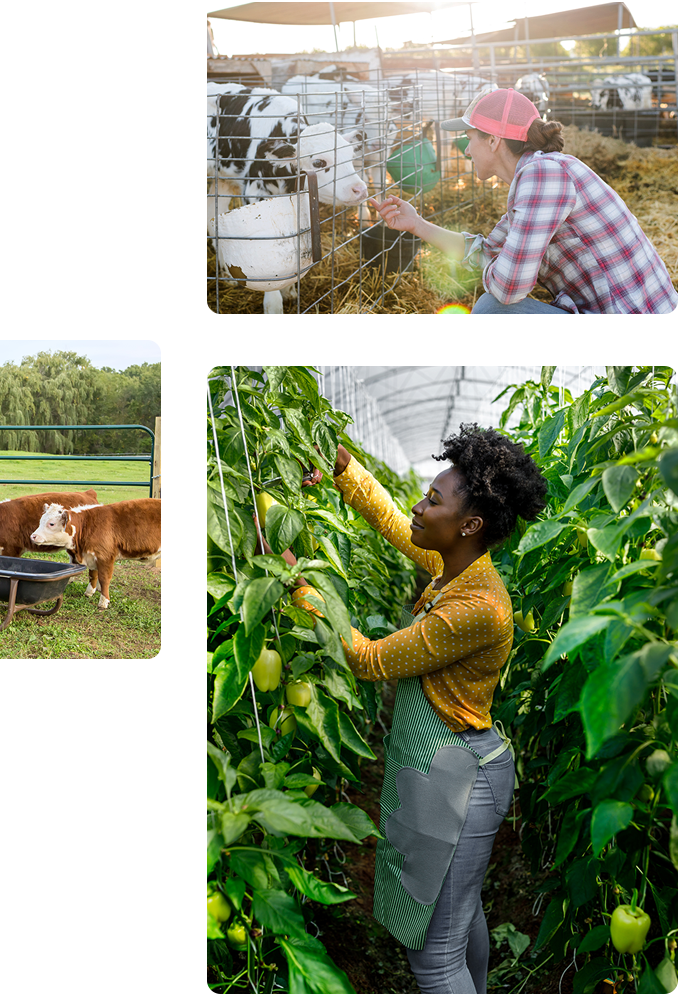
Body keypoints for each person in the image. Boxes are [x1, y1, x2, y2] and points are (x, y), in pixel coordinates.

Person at [266, 425, 547, 996]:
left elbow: (366, 660)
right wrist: (345, 469)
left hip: (460, 779)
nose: (420, 507)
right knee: (460, 915)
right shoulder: (459, 567)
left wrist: (298, 581)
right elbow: (398, 524)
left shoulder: (478, 607)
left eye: (434, 500)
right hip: (456, 765)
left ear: (470, 524)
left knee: (434, 958)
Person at [370, 88, 678, 316]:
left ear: (493, 140)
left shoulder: (542, 176)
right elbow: (485, 251)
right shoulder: (535, 179)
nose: (465, 151)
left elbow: (508, 288)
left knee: (492, 310)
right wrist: (417, 224)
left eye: (469, 138)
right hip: (613, 315)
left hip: (633, 325)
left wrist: (502, 266)